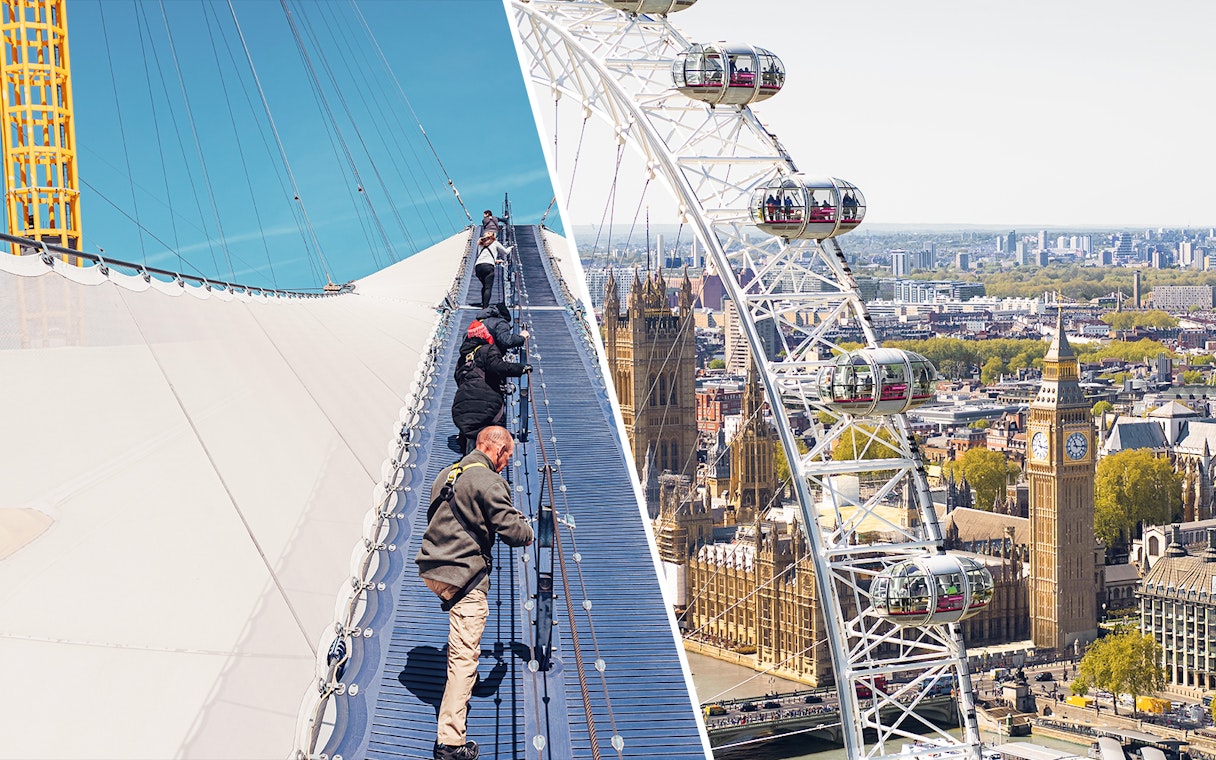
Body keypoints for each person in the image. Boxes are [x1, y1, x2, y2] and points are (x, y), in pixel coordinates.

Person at [416, 426, 534, 760]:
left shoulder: (449, 473)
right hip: (463, 576)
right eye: (508, 455)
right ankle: (450, 743)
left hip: (431, 568)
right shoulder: (490, 481)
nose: (508, 462)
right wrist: (527, 533)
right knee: (464, 655)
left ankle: (468, 678)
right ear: (496, 451)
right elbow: (511, 529)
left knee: (462, 640)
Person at [451, 319, 529, 452]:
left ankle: (469, 462)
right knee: (491, 440)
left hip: (461, 405)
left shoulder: (463, 357)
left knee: (471, 438)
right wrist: (521, 368)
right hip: (486, 404)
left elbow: (457, 377)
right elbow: (497, 366)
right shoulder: (488, 349)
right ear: (485, 335)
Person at [473, 231, 511, 309]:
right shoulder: (495, 243)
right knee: (488, 287)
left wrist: (496, 261)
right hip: (488, 266)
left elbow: (483, 255)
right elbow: (505, 252)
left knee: (484, 285)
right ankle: (485, 306)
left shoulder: (480, 243)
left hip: (478, 267)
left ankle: (483, 302)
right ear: (493, 236)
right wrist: (510, 248)